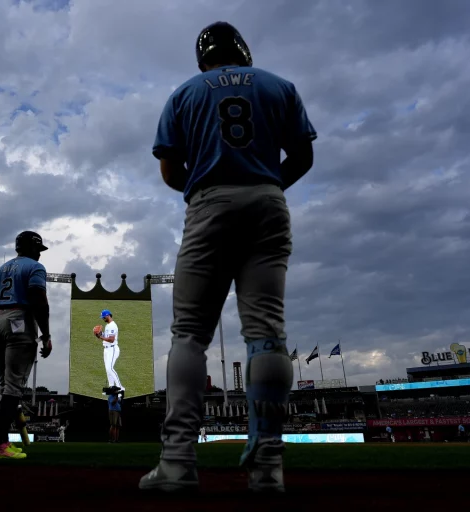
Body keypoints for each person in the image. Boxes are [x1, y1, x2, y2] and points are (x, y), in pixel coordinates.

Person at [139, 21, 316, 494]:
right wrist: (264, 185)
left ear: (203, 58)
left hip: (210, 201)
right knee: (266, 332)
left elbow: (170, 171)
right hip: (268, 200)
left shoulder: (184, 93)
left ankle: (178, 462)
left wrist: (207, 190)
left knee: (190, 334)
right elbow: (302, 156)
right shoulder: (279, 86)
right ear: (243, 51)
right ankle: (268, 467)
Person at [0, 231, 53, 461]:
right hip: (20, 319)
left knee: (6, 386)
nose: (39, 255)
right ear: (32, 249)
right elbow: (38, 300)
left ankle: (2, 442)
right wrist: (46, 334)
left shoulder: (0, 270)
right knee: (13, 387)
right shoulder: (35, 268)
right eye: (38, 250)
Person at [94, 309, 124, 394]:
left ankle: (120, 387)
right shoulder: (108, 325)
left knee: (109, 368)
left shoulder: (112, 326)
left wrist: (100, 337)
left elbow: (111, 340)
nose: (103, 319)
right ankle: (112, 387)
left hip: (112, 349)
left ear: (108, 315)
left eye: (104, 317)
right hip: (106, 349)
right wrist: (100, 334)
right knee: (107, 369)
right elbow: (107, 336)